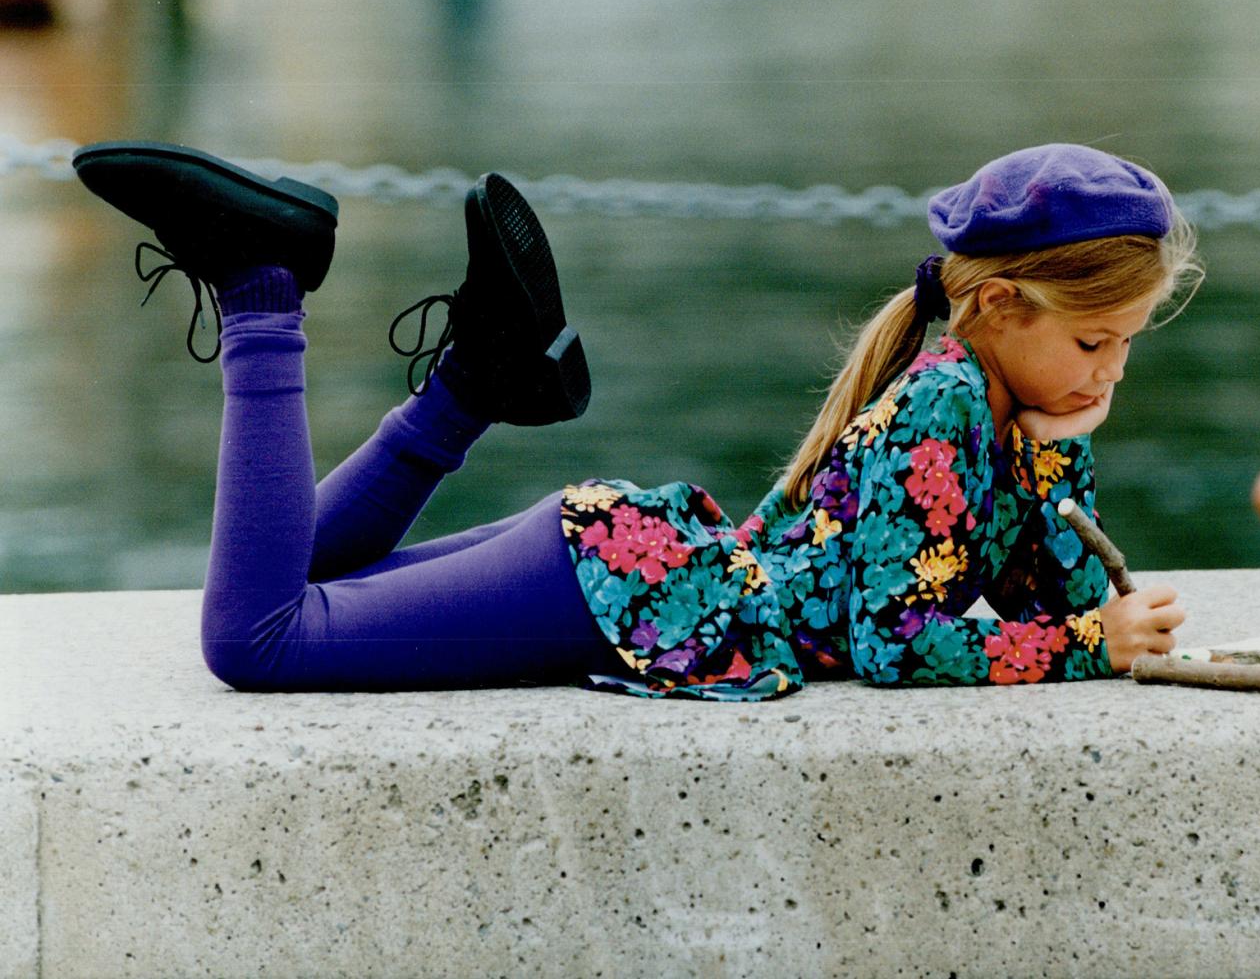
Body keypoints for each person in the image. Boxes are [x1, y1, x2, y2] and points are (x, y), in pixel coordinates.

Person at [73, 139, 1200, 700]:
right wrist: (1090, 649)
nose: (1109, 374)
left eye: (1128, 347)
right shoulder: (948, 399)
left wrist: (1059, 467)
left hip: (632, 570)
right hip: (624, 585)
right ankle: (263, 289)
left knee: (301, 580)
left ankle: (480, 379)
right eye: (1093, 343)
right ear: (997, 306)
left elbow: (1056, 594)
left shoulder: (1003, 412)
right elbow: (897, 642)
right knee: (256, 642)